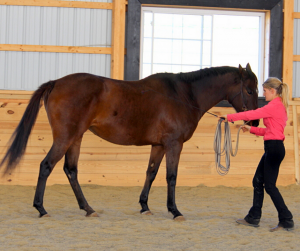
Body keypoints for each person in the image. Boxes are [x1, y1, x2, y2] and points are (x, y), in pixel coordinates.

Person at [219, 77, 294, 232]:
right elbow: (269, 131)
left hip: (273, 148)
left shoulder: (274, 105)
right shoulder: (278, 106)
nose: (264, 94)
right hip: (273, 147)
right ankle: (254, 217)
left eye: (265, 91)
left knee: (270, 186)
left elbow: (252, 114)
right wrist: (251, 129)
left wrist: (230, 117)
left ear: (273, 91)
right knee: (258, 181)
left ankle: (286, 219)